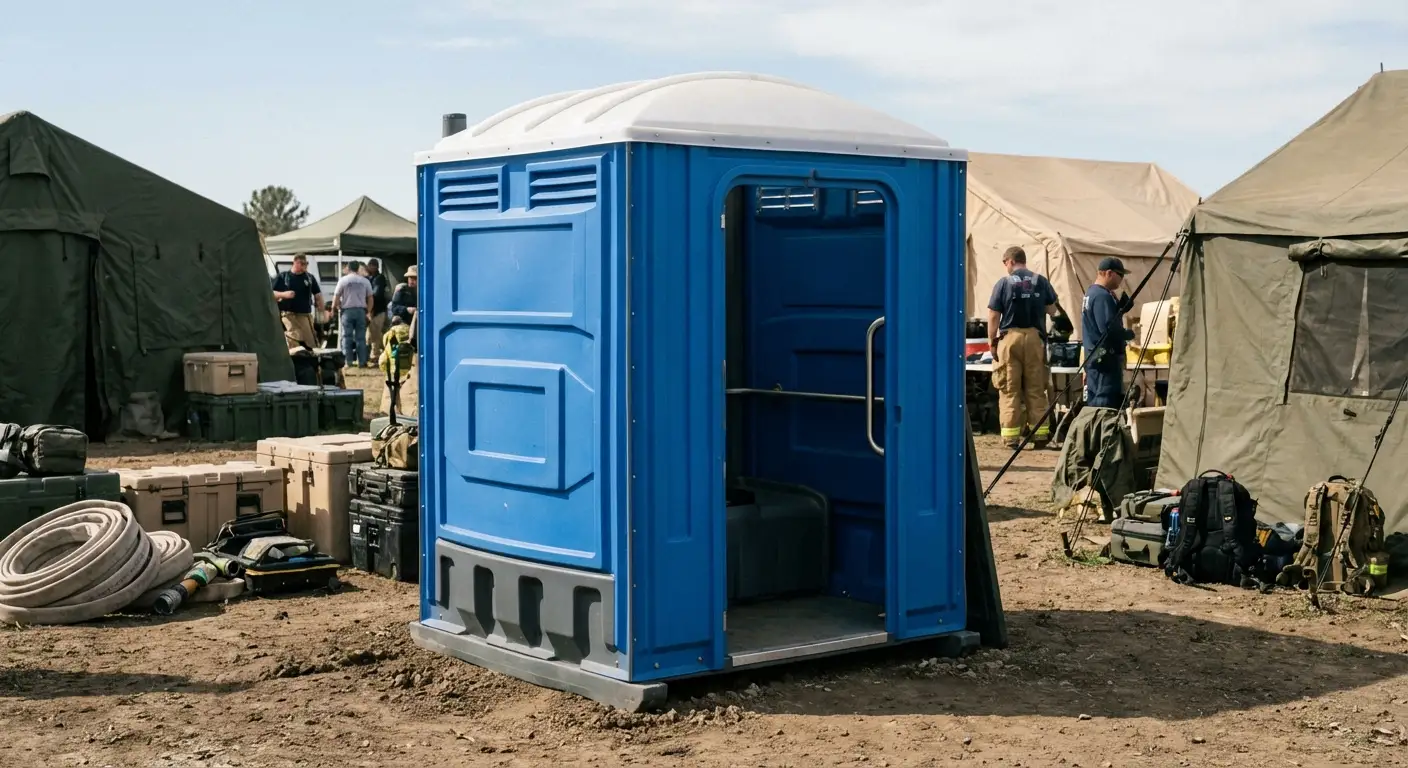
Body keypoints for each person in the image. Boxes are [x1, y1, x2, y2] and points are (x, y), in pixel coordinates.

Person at [987, 246, 1067, 449]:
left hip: (1010, 338)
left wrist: (992, 342)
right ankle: (1040, 435)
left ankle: (1011, 438)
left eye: (1005, 263)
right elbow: (1051, 309)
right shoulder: (1040, 281)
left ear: (1010, 261)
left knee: (1009, 389)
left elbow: (994, 315)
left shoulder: (1003, 283)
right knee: (1036, 388)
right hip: (1034, 338)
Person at [1081, 257, 1136, 408]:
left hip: (1095, 359)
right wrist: (1127, 334)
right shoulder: (1101, 296)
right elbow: (1107, 329)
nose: (1121, 280)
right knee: (1104, 404)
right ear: (1109, 273)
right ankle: (1102, 431)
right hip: (1104, 362)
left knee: (1098, 402)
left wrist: (1118, 309)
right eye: (1121, 275)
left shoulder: (1092, 293)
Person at [271, 254, 322, 350]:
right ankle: (294, 357)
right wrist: (284, 294)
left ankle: (310, 360)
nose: (304, 266)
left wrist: (321, 309)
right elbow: (270, 293)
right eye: (302, 264)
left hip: (304, 315)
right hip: (288, 314)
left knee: (310, 340)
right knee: (294, 335)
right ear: (295, 262)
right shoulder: (283, 277)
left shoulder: (309, 278)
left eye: (306, 264)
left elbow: (318, 294)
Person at [332, 260, 374, 368]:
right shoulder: (365, 281)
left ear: (349, 268)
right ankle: (362, 362)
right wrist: (368, 311)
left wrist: (335, 308)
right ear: (358, 268)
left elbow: (336, 297)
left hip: (347, 311)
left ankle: (348, 361)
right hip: (361, 311)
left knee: (346, 337)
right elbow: (370, 298)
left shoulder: (343, 280)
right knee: (361, 338)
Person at [363, 258, 391, 360]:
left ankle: (375, 356)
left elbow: (377, 294)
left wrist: (369, 302)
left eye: (370, 265)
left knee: (374, 335)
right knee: (370, 336)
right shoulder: (371, 278)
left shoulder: (379, 278)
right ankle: (374, 355)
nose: (368, 267)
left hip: (378, 310)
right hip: (372, 311)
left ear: (375, 267)